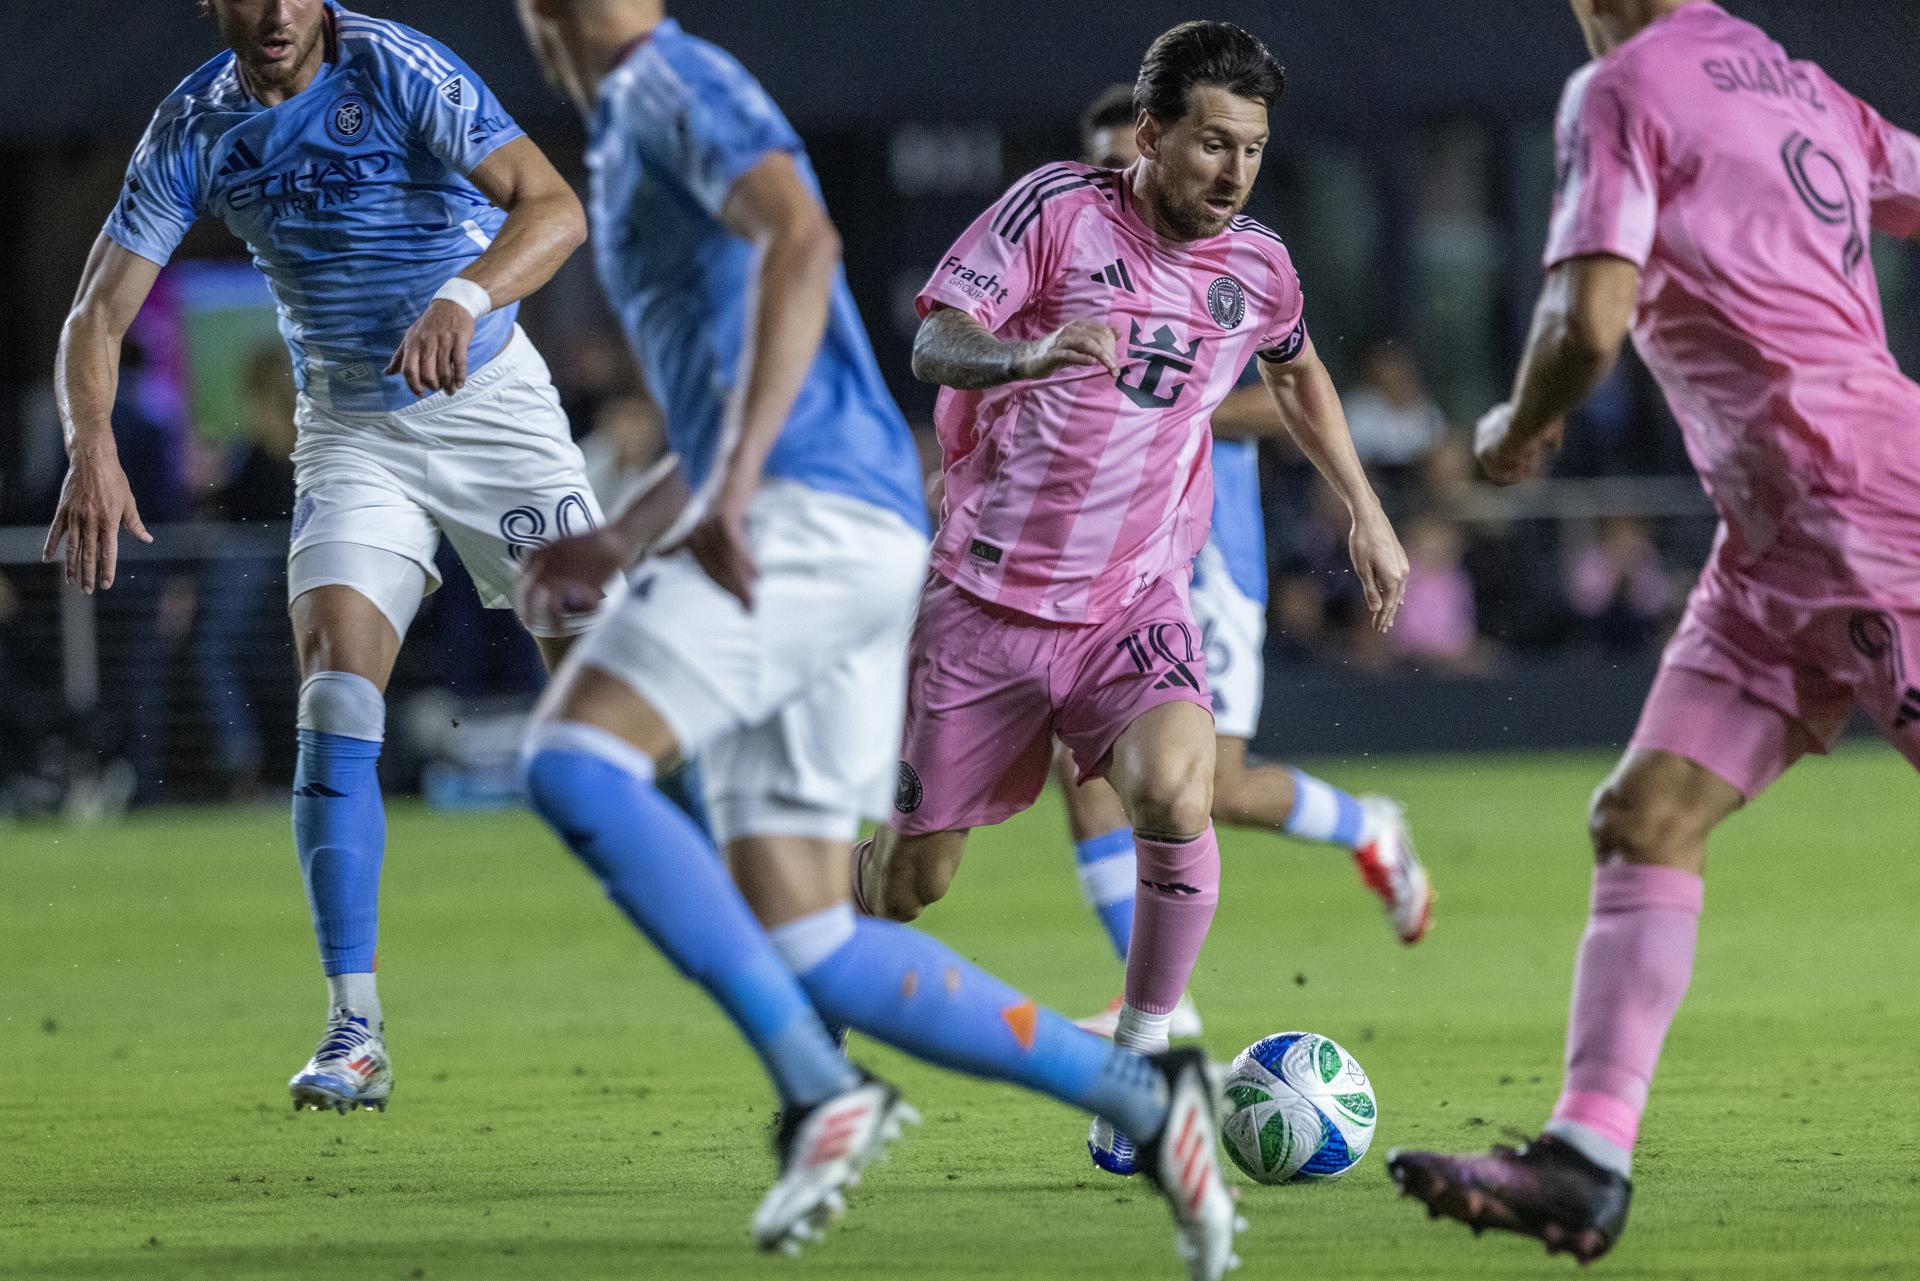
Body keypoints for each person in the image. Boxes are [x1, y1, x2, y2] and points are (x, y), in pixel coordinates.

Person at [508, 4, 1239, 1274]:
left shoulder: (671, 80)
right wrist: (630, 532)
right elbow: (747, 378)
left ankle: (817, 1091)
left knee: (574, 762)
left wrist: (733, 496)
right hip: (846, 521)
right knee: (823, 934)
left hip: (809, 516)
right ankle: (1143, 1096)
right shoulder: (627, 121)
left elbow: (804, 239)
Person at [1388, 0, 1920, 1263]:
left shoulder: (1623, 90)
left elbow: (1586, 322)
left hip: (1866, 515)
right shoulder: (1796, 84)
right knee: (1644, 819)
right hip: (1774, 541)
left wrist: (1514, 431)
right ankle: (1583, 1163)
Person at [853, 24, 1408, 1177]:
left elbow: (1298, 372)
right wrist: (1026, 356)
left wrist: (1364, 504)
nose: (1234, 172)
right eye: (1212, 144)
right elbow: (938, 344)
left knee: (1177, 786)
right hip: (984, 605)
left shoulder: (1258, 265)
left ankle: (1143, 1061)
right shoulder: (1052, 210)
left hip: (1132, 602)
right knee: (913, 887)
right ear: (1151, 136)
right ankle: (805, 895)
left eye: (1252, 150)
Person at [43, 0, 605, 1113]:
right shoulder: (194, 126)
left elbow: (555, 208)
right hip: (353, 432)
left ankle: (799, 903)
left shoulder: (393, 67)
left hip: (490, 408)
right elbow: (96, 318)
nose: (277, 14)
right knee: (334, 694)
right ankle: (356, 1027)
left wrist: (463, 294)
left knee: (616, 711)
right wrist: (90, 445)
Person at [1055, 85, 1432, 1061]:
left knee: (1208, 788)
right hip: (1107, 552)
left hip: (1208, 554)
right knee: (1084, 764)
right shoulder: (1074, 260)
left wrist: (1166, 390)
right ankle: (1161, 1008)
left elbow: (1295, 401)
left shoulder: (1229, 270)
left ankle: (1367, 824)